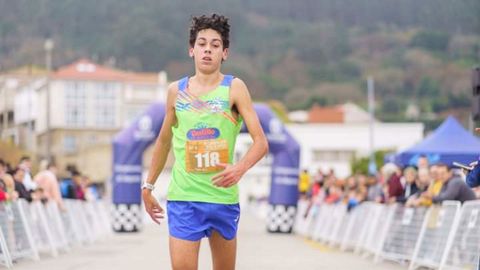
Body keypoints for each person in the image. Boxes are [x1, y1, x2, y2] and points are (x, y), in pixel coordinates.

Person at [142, 14, 268, 270]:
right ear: (192, 50)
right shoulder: (176, 92)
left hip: (222, 198)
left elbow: (260, 143)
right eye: (202, 44)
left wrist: (239, 168)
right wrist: (148, 186)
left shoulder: (235, 88)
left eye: (215, 45)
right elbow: (164, 142)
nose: (207, 50)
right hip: (184, 198)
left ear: (225, 53)